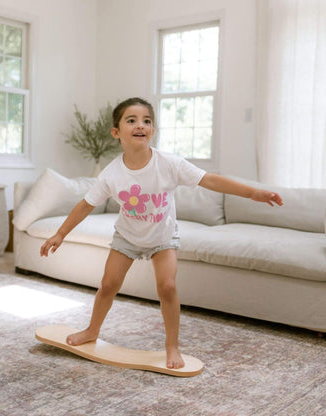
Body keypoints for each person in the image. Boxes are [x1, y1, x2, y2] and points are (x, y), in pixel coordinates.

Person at [40, 97, 283, 369]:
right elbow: (86, 205)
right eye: (131, 120)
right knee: (108, 285)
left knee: (167, 287)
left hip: (163, 237)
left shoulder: (169, 163)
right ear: (116, 132)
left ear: (153, 130)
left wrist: (254, 193)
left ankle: (172, 346)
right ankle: (92, 331)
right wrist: (60, 234)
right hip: (127, 238)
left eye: (146, 121)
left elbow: (210, 179)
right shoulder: (111, 174)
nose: (140, 125)